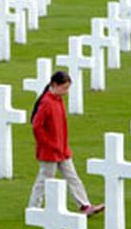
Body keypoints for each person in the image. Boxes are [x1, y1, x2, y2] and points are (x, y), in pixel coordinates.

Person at [27, 71, 103, 216]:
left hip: (62, 149)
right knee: (44, 180)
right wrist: (48, 144)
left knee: (72, 177)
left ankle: (85, 205)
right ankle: (33, 208)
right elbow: (36, 126)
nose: (66, 92)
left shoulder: (57, 99)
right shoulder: (47, 102)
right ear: (55, 85)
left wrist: (61, 146)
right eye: (64, 88)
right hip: (50, 150)